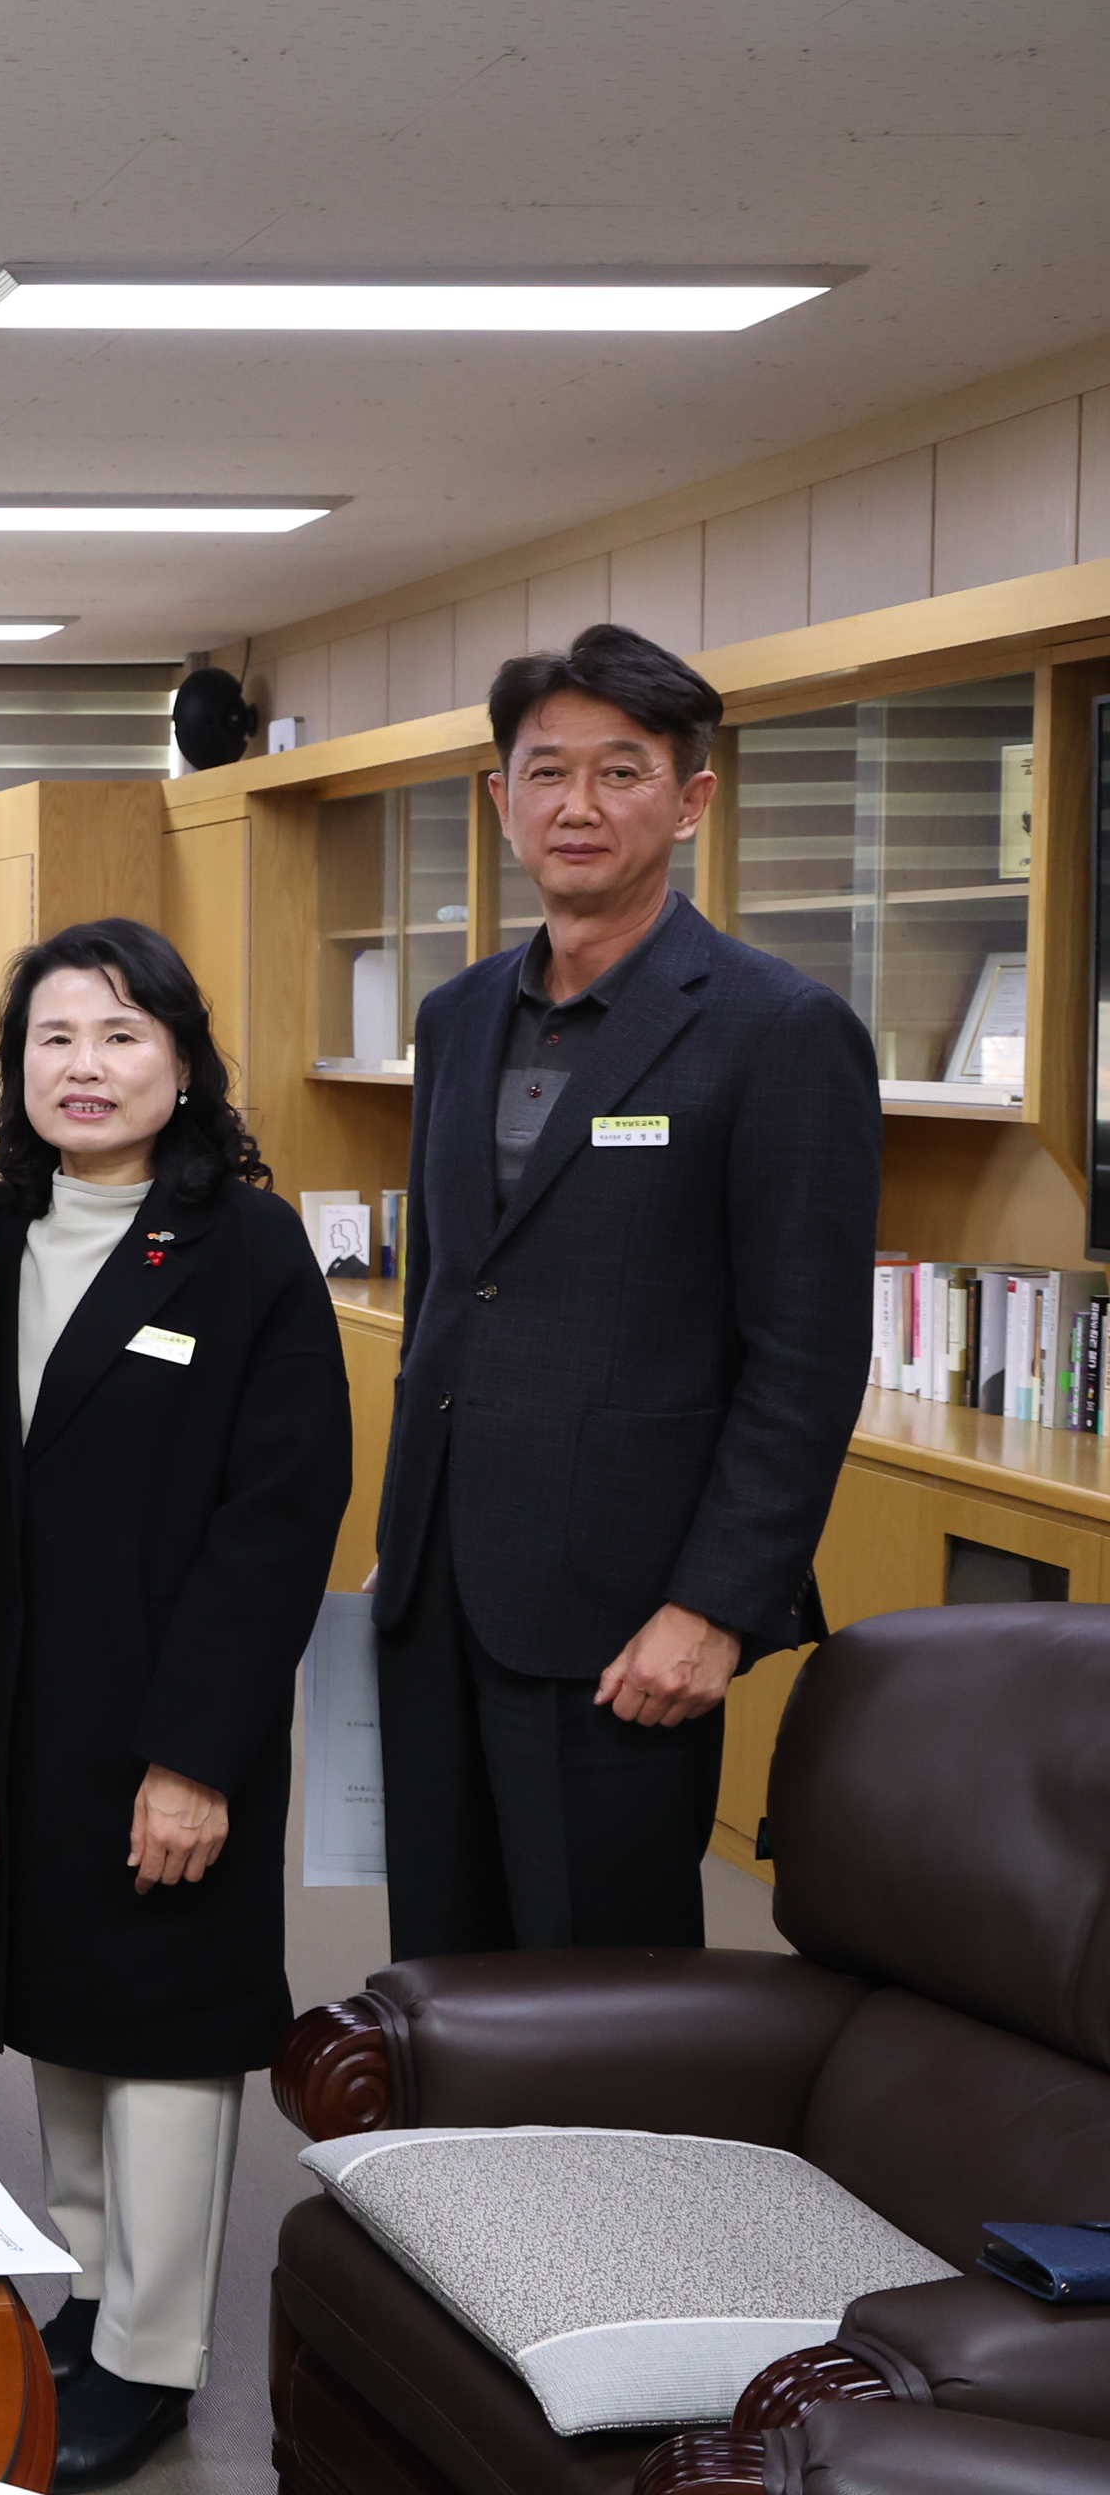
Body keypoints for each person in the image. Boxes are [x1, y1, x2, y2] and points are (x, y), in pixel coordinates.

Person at [375, 624, 879, 1958]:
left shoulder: (778, 1030)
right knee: (443, 1971)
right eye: (545, 773)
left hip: (625, 1615)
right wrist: (404, 1531)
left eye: (622, 772)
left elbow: (808, 1357)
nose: (578, 807)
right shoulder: (457, 1016)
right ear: (501, 801)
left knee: (601, 1990)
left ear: (693, 798)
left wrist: (715, 1605)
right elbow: (448, 1293)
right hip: (439, 1591)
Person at [0, 918, 350, 2492]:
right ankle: (94, 2294)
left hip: (172, 1716)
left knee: (170, 2026)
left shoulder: (246, 1250)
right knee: (56, 2005)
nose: (87, 1068)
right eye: (56, 1038)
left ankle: (155, 2355)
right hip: (16, 1713)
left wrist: (196, 1757)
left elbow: (279, 1520)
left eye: (122, 1035)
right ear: (19, 1067)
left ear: (181, 1062)